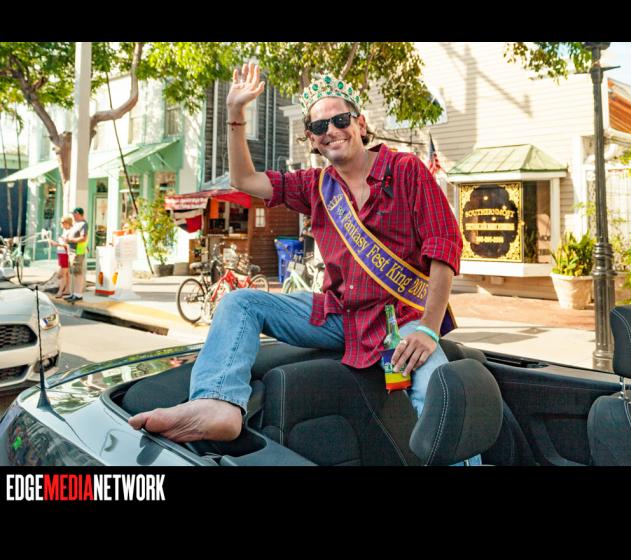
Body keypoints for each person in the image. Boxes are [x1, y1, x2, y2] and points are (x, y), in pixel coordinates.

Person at [129, 63, 479, 464]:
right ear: (312, 139)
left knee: (439, 395)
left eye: (341, 120)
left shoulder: (405, 170)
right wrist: (236, 114)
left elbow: (444, 246)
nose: (332, 130)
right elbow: (244, 180)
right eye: (319, 126)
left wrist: (430, 330)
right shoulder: (315, 185)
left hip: (403, 319)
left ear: (361, 124)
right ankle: (218, 404)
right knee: (240, 302)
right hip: (340, 316)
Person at [64, 207, 88, 303]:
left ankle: (78, 295)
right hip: (72, 251)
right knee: (73, 273)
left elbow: (83, 238)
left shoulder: (83, 224)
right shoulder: (76, 224)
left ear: (78, 214)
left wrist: (70, 240)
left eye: (74, 214)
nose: (73, 216)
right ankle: (73, 293)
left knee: (77, 273)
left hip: (78, 251)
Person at [48, 215, 73, 298]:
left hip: (65, 254)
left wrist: (56, 244)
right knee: (67, 274)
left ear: (67, 223)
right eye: (61, 222)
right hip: (62, 254)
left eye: (62, 222)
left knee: (63, 274)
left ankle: (60, 291)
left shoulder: (69, 232)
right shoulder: (66, 231)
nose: (61, 224)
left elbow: (67, 245)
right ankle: (67, 290)